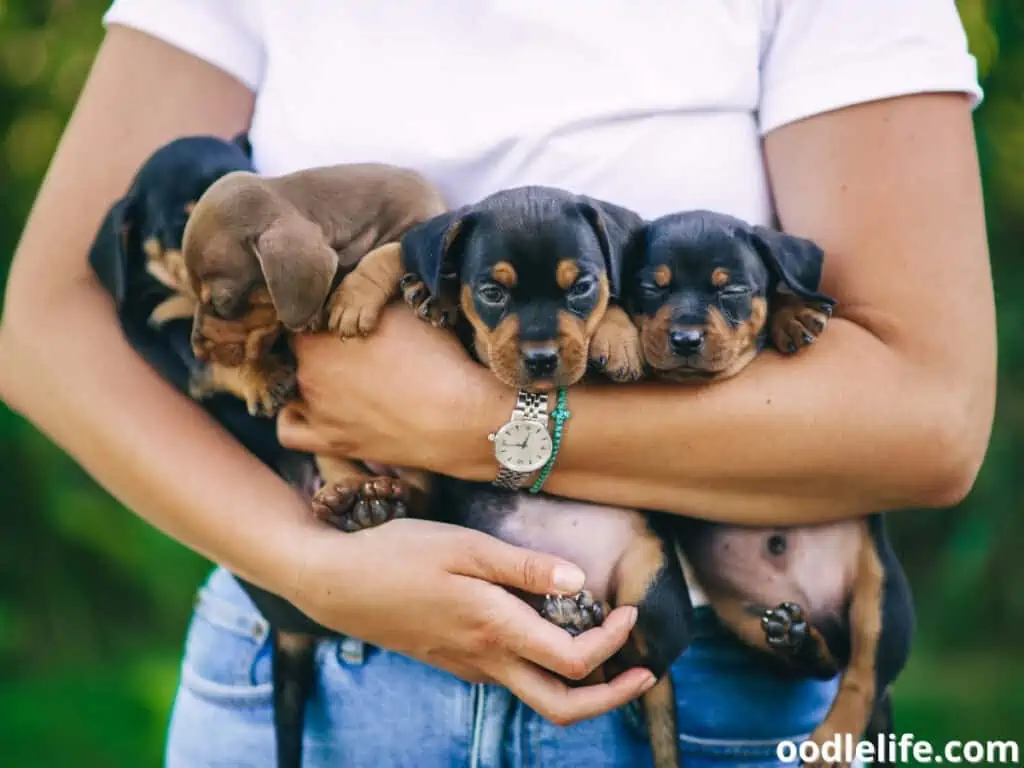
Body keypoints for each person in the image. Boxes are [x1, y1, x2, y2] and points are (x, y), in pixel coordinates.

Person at [0, 1, 995, 766]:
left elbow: (931, 421)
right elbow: (48, 322)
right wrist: (309, 569)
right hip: (314, 665)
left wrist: (477, 423)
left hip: (703, 672)